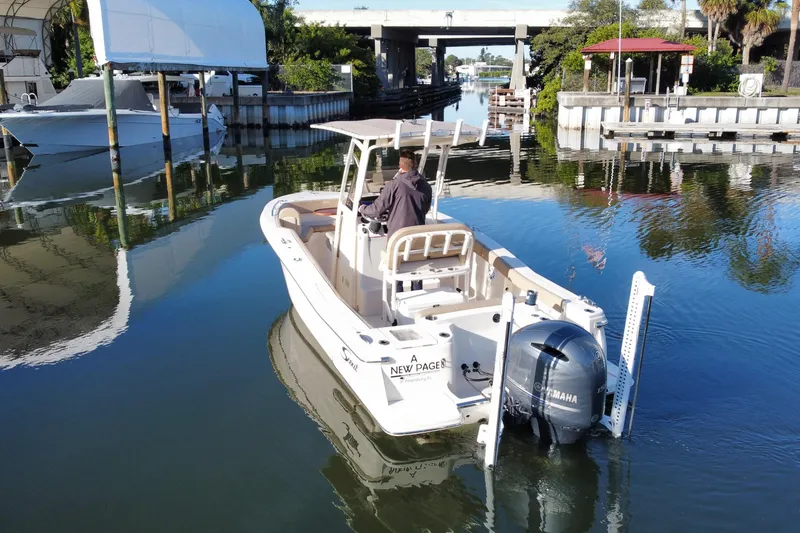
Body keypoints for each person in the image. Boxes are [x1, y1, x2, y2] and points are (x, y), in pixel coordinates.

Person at [359, 148, 432, 292]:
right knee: (415, 268)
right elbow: (425, 209)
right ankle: (417, 294)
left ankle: (396, 299)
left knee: (396, 269)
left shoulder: (393, 185)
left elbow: (376, 209)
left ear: (400, 165)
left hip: (397, 240)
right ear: (415, 164)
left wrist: (362, 209)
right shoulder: (426, 186)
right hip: (418, 239)